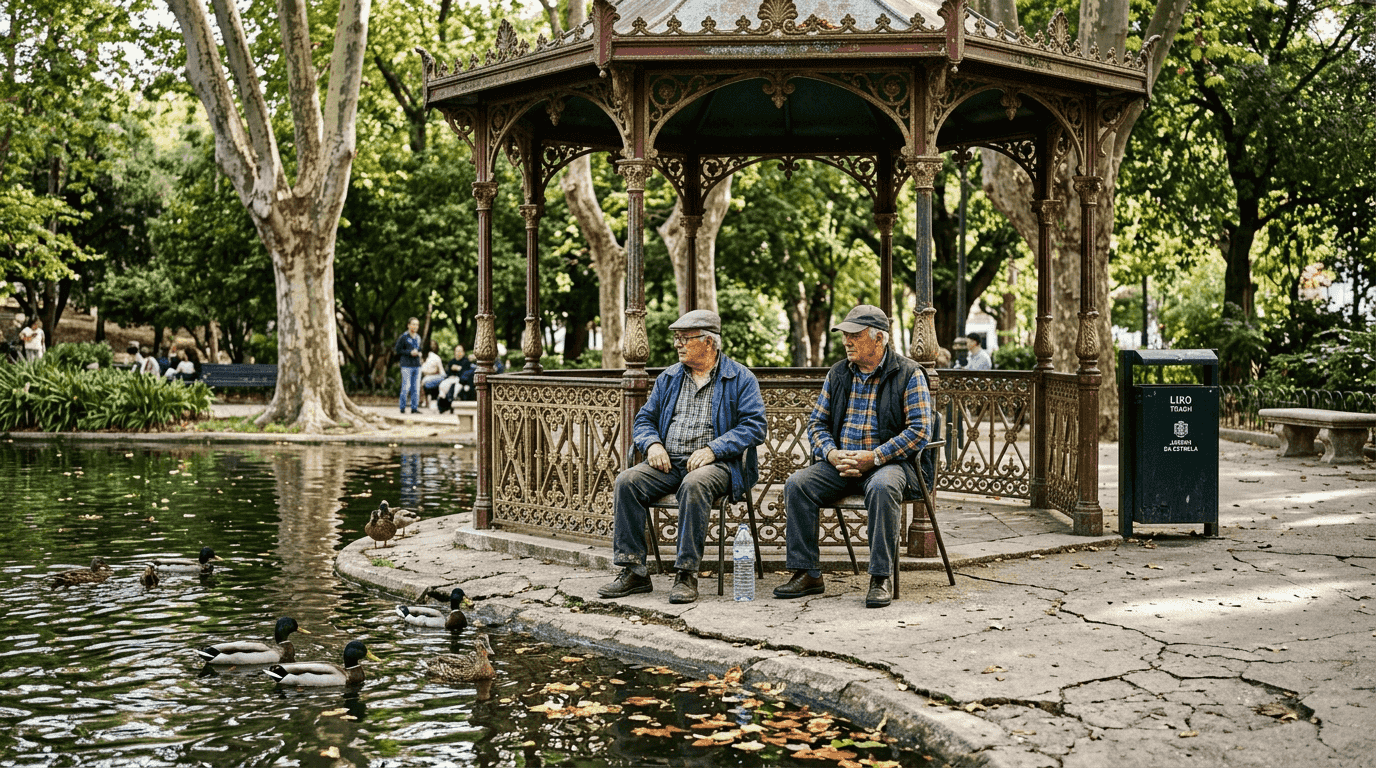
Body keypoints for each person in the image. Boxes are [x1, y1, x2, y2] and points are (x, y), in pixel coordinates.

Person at [598, 309, 767, 605]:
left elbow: (755, 427)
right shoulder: (670, 377)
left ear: (709, 343)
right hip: (669, 462)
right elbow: (644, 419)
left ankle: (686, 574)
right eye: (677, 338)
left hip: (719, 465)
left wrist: (714, 449)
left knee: (695, 484)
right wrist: (652, 445)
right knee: (627, 481)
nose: (678, 344)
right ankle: (634, 571)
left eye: (684, 338)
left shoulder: (740, 378)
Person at [775, 304, 933, 609]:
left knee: (883, 487)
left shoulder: (909, 373)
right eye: (845, 335)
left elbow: (919, 431)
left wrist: (873, 457)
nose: (846, 341)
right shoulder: (838, 373)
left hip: (888, 464)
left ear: (879, 339)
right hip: (841, 461)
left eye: (854, 335)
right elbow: (817, 424)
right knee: (797, 484)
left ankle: (880, 577)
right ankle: (807, 572)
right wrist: (832, 454)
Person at [394, 317, 423, 414]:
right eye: (413, 324)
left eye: (417, 324)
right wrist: (409, 352)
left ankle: (414, 408)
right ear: (408, 325)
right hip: (406, 365)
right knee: (406, 386)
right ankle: (402, 407)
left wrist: (418, 353)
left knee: (416, 387)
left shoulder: (418, 337)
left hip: (417, 365)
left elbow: (420, 349)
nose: (415, 326)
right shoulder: (404, 337)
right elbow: (397, 350)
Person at [438, 345, 474, 412]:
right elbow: (447, 372)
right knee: (442, 386)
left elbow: (466, 374)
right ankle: (442, 405)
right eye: (457, 351)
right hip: (450, 379)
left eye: (460, 351)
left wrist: (458, 369)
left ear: (463, 352)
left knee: (456, 389)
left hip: (460, 381)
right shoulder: (452, 361)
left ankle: (453, 404)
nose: (458, 353)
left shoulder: (466, 362)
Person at [418, 341, 444, 408]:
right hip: (424, 376)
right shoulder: (421, 356)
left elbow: (442, 373)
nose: (433, 347)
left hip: (433, 377)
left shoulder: (436, 358)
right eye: (431, 345)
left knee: (424, 381)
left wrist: (433, 372)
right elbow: (422, 369)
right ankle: (423, 400)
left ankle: (424, 400)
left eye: (434, 345)